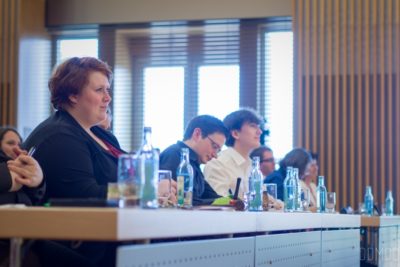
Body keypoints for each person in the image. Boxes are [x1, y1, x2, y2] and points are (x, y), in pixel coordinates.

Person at [159, 115, 228, 205]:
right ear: (197, 134)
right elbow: (181, 200)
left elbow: (212, 197)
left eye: (218, 150)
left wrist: (232, 201)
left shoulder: (195, 163)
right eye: (214, 146)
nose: (215, 155)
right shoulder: (174, 155)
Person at [204, 108, 262, 198]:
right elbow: (219, 203)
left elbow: (265, 199)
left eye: (259, 127)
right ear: (235, 133)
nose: (259, 132)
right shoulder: (218, 164)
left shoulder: (252, 166)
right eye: (253, 126)